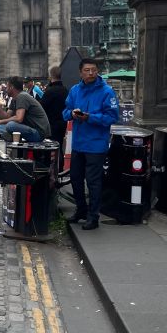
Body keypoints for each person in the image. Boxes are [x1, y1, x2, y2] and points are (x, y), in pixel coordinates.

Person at [63, 59, 119, 230]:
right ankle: (81, 210)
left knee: (93, 182)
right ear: (81, 72)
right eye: (87, 70)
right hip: (79, 144)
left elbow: (112, 117)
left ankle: (93, 217)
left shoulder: (107, 92)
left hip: (96, 145)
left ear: (97, 71)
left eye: (93, 70)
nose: (90, 73)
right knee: (75, 178)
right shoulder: (75, 90)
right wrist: (71, 113)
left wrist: (91, 118)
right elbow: (64, 112)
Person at [0, 76, 51, 143]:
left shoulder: (22, 96)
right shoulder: (14, 99)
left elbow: (19, 118)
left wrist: (0, 121)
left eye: (7, 87)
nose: (6, 89)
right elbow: (6, 116)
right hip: (32, 130)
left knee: (10, 125)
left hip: (39, 133)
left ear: (12, 87)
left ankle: (12, 139)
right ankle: (13, 139)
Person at [40, 66, 68, 161]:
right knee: (59, 147)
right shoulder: (65, 90)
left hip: (51, 124)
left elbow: (41, 107)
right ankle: (59, 168)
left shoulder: (50, 91)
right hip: (62, 123)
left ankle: (53, 171)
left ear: (50, 76)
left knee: (50, 149)